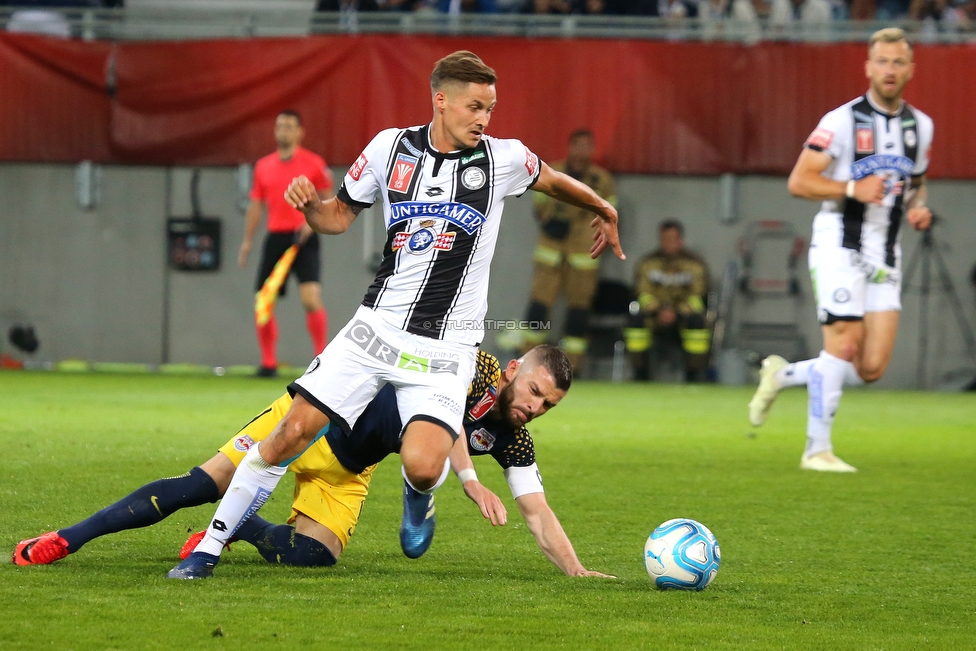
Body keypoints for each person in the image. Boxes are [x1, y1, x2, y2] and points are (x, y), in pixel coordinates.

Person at [170, 50, 623, 579]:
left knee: (423, 465)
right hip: (376, 328)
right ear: (441, 99)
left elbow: (554, 180)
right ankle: (208, 550)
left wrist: (603, 208)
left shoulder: (503, 159)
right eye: (475, 106)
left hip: (447, 347)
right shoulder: (390, 148)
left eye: (490, 109)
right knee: (290, 432)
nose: (484, 119)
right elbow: (336, 216)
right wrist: (310, 207)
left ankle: (418, 495)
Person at [13, 346, 612, 578]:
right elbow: (445, 416)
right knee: (198, 484)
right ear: (514, 371)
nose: (535, 408)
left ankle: (243, 527)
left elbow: (536, 510)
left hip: (350, 468)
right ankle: (67, 539)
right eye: (535, 392)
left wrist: (579, 573)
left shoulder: (514, 437)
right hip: (310, 420)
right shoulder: (470, 362)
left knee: (315, 556)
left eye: (548, 405)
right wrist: (469, 480)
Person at [748, 28, 933, 472]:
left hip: (886, 253)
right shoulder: (841, 121)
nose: (890, 70)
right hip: (839, 242)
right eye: (882, 61)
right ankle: (817, 449)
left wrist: (918, 210)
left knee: (871, 367)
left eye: (898, 62)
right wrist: (852, 186)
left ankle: (782, 374)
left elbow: (917, 185)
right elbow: (799, 180)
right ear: (868, 68)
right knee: (845, 344)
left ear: (910, 69)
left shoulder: (920, 127)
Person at [512, 129, 617, 372]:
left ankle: (572, 366)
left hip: (584, 251)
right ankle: (527, 361)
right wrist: (548, 221)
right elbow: (538, 201)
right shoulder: (553, 169)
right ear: (570, 147)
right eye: (578, 145)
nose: (582, 151)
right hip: (551, 249)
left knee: (579, 311)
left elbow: (609, 211)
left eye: (587, 146)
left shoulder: (602, 179)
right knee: (538, 307)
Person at [239, 110, 335, 378]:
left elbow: (329, 198)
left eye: (289, 126)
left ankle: (321, 360)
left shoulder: (314, 163)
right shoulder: (263, 166)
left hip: (305, 237)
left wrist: (312, 222)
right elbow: (256, 205)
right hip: (276, 238)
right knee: (264, 300)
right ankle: (268, 362)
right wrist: (247, 242)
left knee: (311, 298)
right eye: (279, 125)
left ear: (300, 132)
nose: (283, 130)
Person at [624, 220, 710, 382]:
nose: (668, 243)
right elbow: (642, 293)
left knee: (698, 322)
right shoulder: (647, 264)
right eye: (664, 239)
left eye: (673, 239)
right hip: (655, 315)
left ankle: (695, 374)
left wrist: (676, 313)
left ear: (681, 240)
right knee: (635, 321)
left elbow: (699, 296)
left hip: (684, 316)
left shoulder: (695, 265)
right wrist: (659, 310)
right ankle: (640, 373)